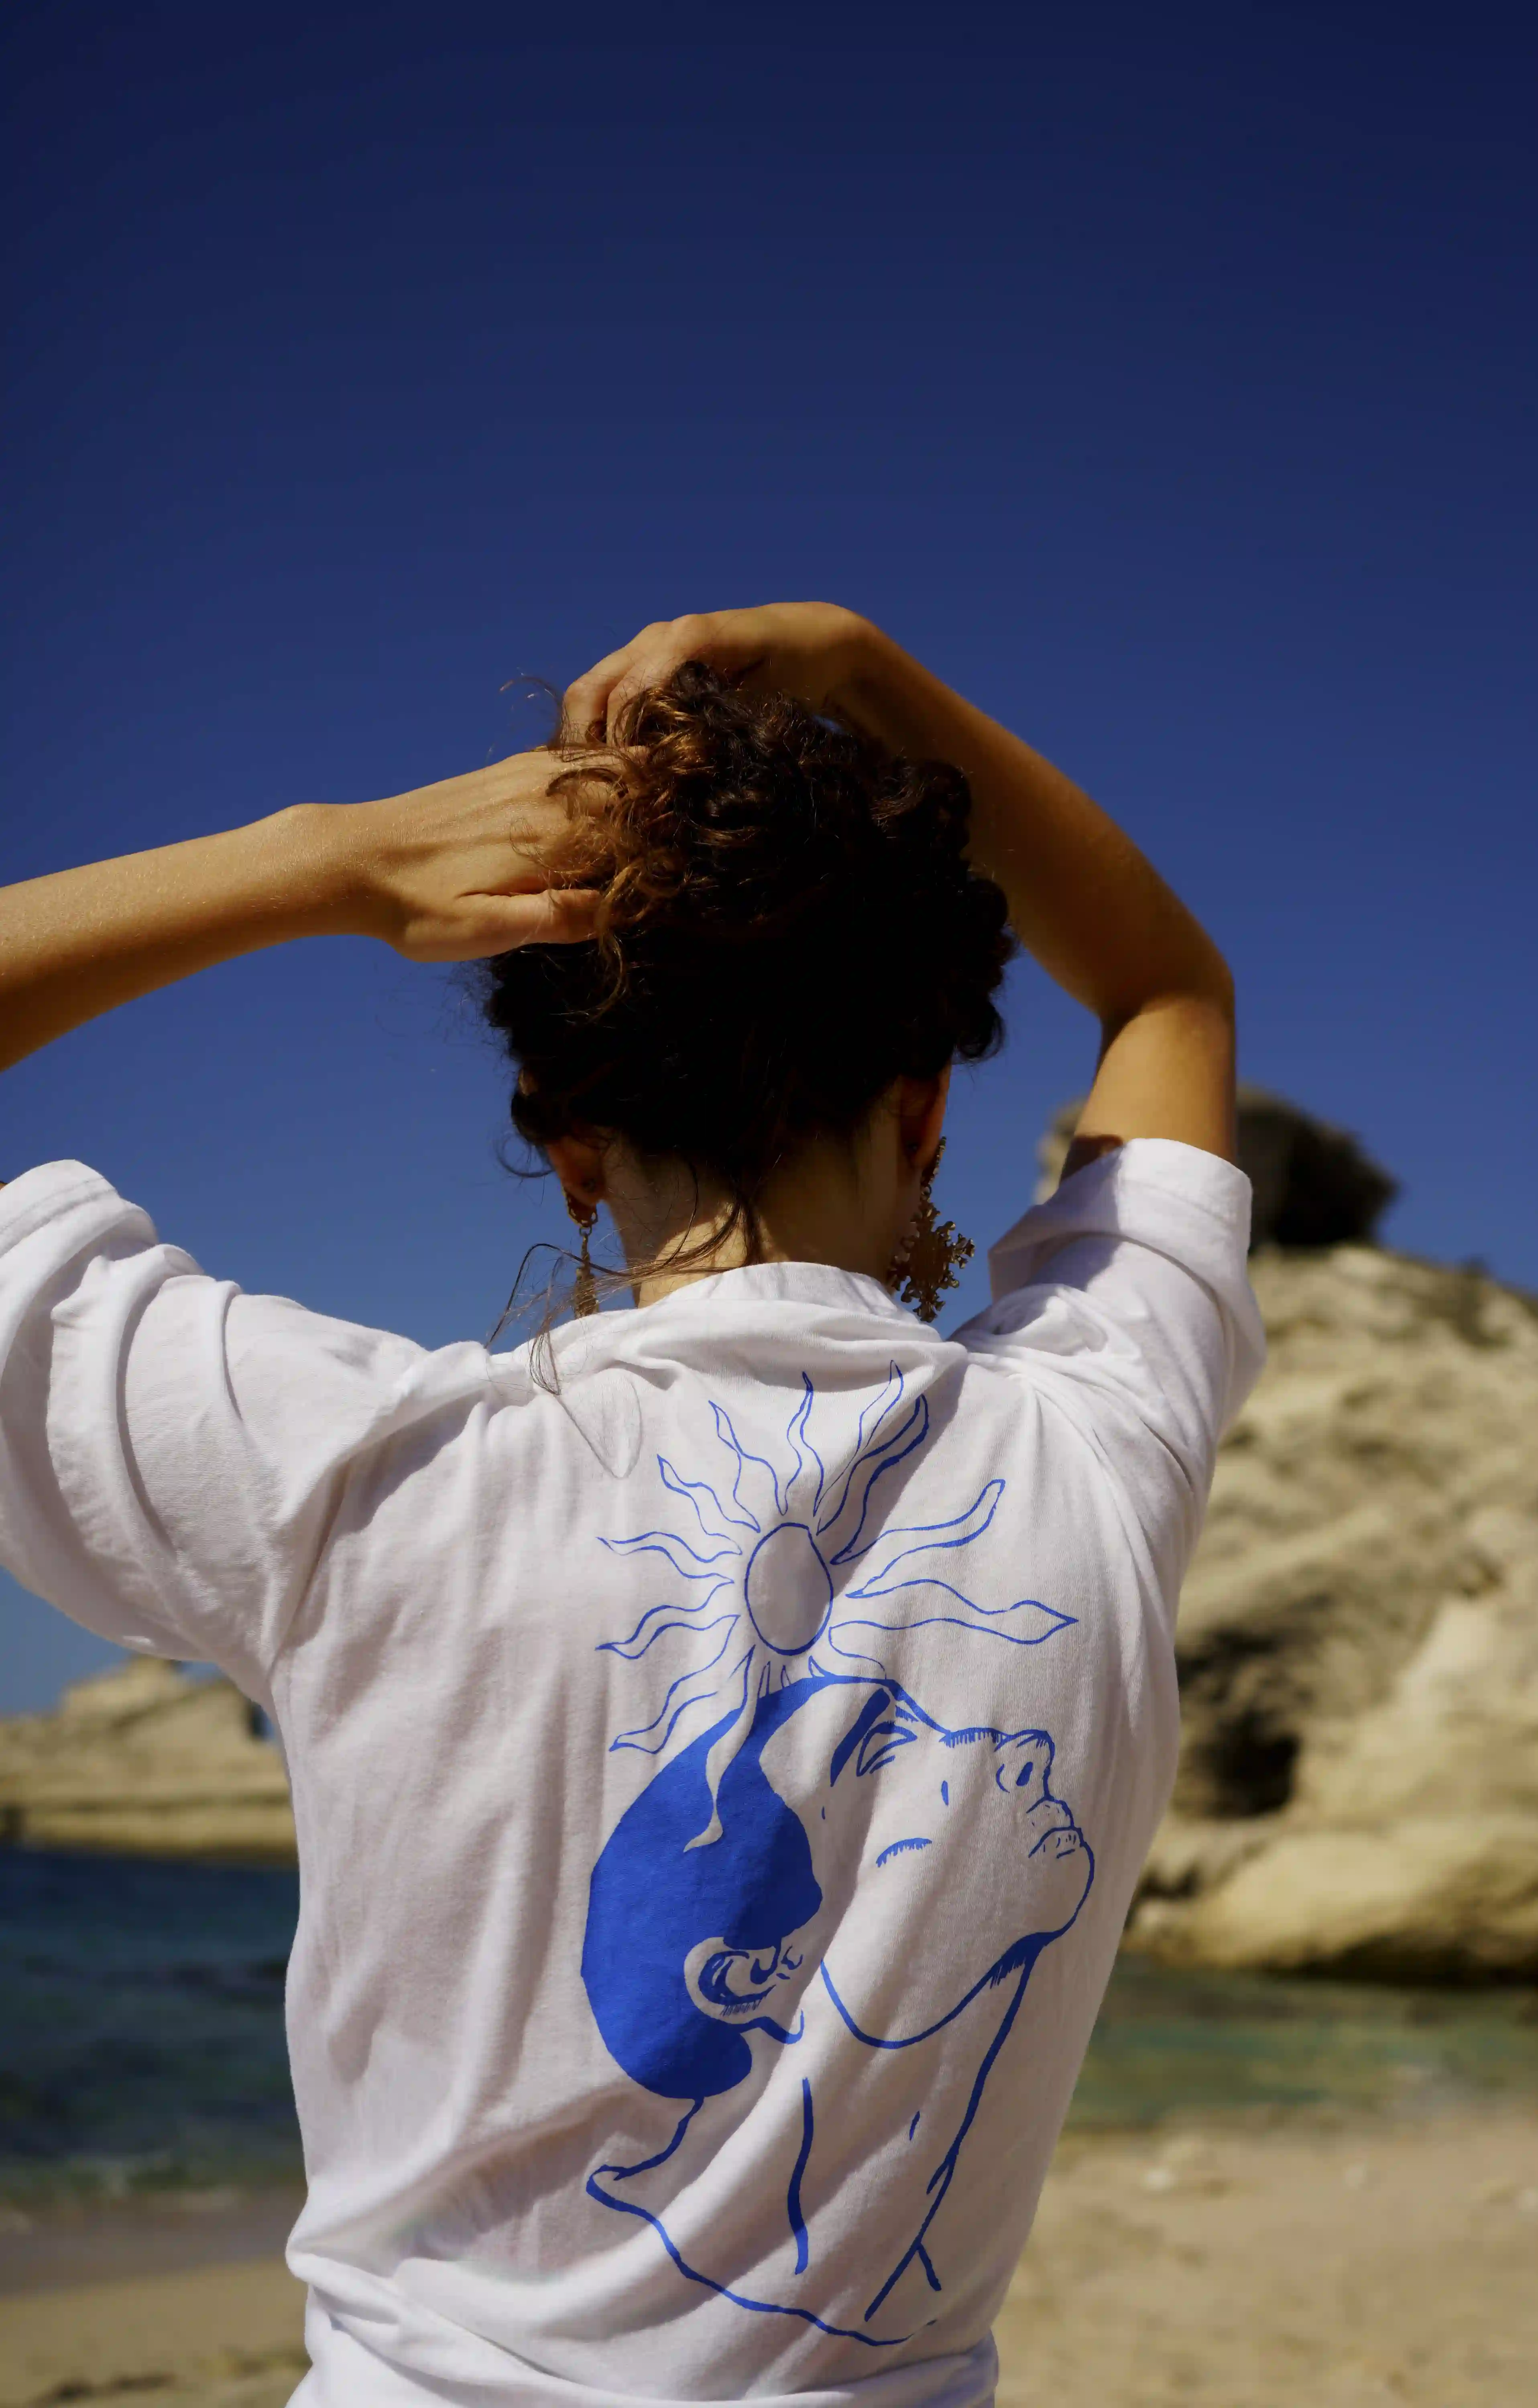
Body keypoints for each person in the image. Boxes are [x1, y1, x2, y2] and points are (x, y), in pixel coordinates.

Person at [0, 603, 1263, 2407]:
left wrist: (321, 865)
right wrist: (860, 667)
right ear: (924, 1118)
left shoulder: (352, 1476)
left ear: (565, 1142)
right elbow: (1166, 991)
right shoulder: (1096, 1448)